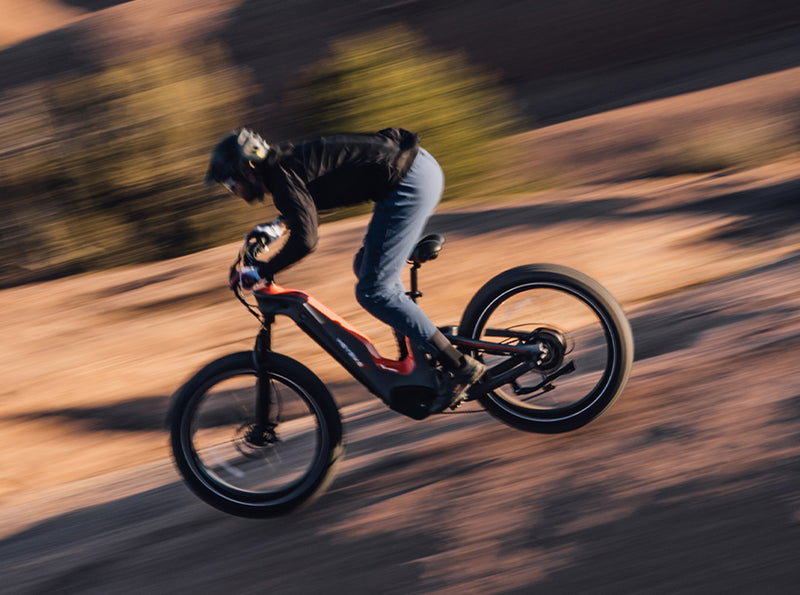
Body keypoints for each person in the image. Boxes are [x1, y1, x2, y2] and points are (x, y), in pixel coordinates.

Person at [204, 127, 485, 412]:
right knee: (365, 268)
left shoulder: (281, 175)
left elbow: (306, 240)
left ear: (247, 170)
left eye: (229, 182)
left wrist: (262, 271)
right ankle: (421, 357)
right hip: (415, 170)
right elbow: (306, 202)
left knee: (374, 292)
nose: (232, 191)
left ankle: (459, 366)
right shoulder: (284, 167)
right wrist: (277, 226)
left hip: (408, 181)